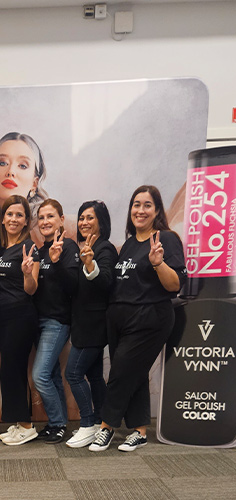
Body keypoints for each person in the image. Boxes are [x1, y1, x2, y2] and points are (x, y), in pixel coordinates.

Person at [89, 185, 186, 452]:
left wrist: (158, 263)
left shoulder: (166, 239)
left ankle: (106, 427)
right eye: (136, 205)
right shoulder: (130, 243)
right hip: (120, 318)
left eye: (147, 205)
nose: (140, 210)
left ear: (157, 210)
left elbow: (175, 284)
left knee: (120, 372)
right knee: (135, 373)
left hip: (149, 318)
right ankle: (140, 431)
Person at [64, 201, 118, 448]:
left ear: (101, 222)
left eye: (90, 218)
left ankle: (87, 424)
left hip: (94, 325)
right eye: (81, 218)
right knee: (94, 376)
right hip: (83, 323)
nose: (84, 222)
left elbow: (105, 281)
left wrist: (89, 264)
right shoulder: (84, 248)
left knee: (73, 374)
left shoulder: (105, 248)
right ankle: (99, 422)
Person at [32, 199, 79, 444]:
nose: (45, 222)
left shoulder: (68, 246)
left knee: (39, 375)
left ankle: (58, 423)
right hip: (38, 322)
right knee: (50, 375)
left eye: (50, 216)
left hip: (57, 321)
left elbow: (74, 286)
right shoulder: (39, 251)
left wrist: (57, 261)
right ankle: (57, 424)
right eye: (41, 217)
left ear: (61, 220)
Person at [0, 195, 40, 446]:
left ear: (26, 221)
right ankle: (18, 421)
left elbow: (32, 289)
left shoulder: (30, 247)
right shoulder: (0, 248)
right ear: (2, 219)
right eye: (9, 214)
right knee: (10, 370)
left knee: (14, 369)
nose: (13, 219)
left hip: (21, 315)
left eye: (19, 215)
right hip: (4, 316)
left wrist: (27, 274)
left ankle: (27, 425)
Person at [0, 132, 48, 246]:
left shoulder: (45, 230)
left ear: (34, 183)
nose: (10, 171)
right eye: (3, 163)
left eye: (22, 166)